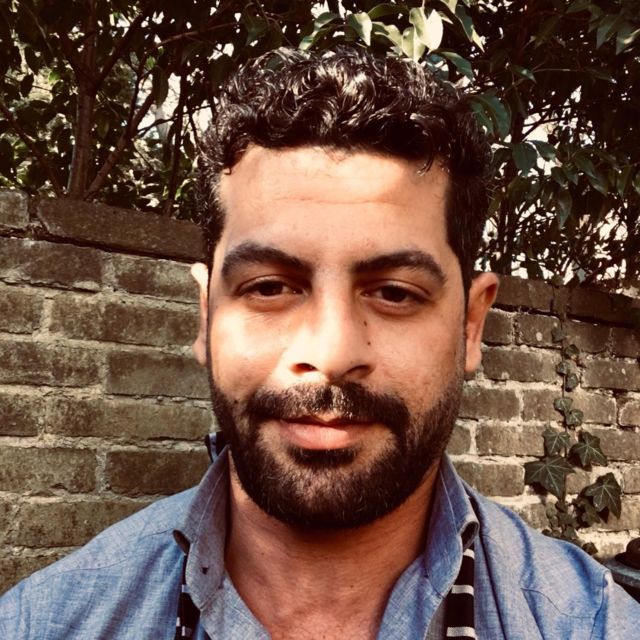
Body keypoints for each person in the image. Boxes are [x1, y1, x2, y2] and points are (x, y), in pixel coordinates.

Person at [0, 46, 638, 639]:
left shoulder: (590, 622)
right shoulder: (44, 623)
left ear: (471, 326)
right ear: (206, 315)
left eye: (395, 293)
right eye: (270, 287)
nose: (331, 354)